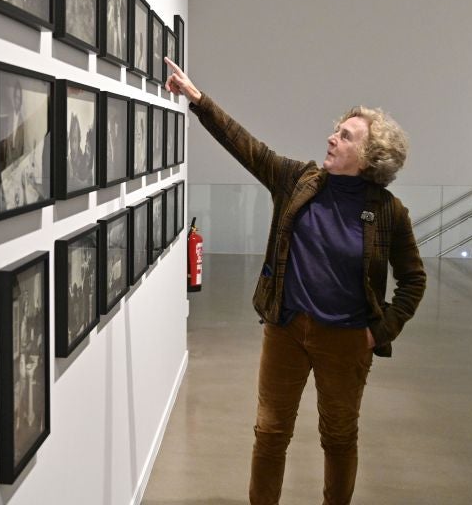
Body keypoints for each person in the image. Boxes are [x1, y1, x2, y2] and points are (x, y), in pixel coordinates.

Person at [164, 57, 426, 505]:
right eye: (336, 130)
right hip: (286, 329)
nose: (332, 137)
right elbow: (245, 146)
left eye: (346, 136)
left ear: (370, 157)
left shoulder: (387, 212)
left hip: (346, 339)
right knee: (269, 432)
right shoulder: (299, 181)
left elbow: (413, 280)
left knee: (339, 437)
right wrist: (197, 100)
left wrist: (379, 331)